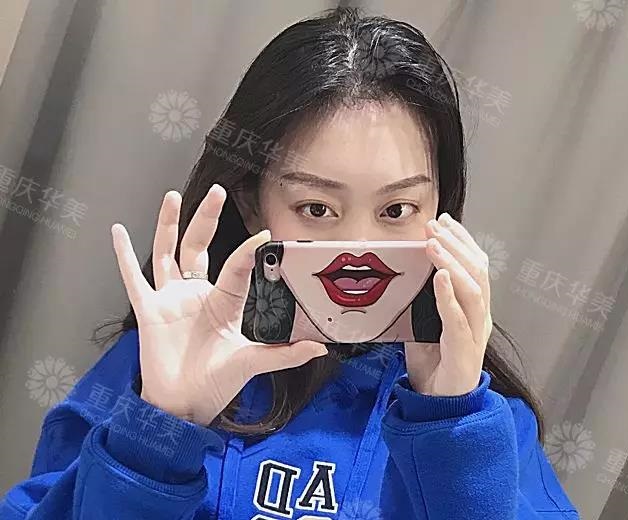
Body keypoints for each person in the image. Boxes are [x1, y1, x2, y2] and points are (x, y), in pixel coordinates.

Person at [0, 7, 580, 519]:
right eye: (316, 208)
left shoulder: (484, 422)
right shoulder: (154, 368)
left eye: (397, 209)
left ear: (440, 212)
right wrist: (161, 431)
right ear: (254, 205)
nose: (358, 249)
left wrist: (449, 420)